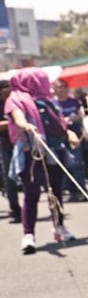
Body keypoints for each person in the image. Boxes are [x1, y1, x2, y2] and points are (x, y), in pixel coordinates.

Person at [5, 68, 76, 253]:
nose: (46, 84)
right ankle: (28, 234)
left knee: (56, 191)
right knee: (32, 193)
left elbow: (59, 123)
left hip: (54, 150)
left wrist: (69, 133)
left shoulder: (47, 101)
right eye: (42, 80)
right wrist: (26, 126)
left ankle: (59, 226)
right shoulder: (16, 99)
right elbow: (18, 118)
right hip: (31, 152)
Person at [0, 79, 21, 222]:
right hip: (5, 146)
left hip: (22, 142)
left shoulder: (16, 101)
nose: (8, 92)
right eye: (5, 89)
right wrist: (14, 121)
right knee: (9, 179)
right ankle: (15, 209)